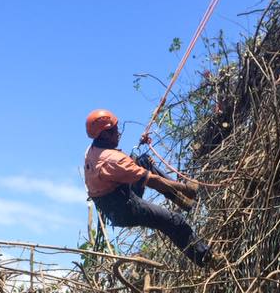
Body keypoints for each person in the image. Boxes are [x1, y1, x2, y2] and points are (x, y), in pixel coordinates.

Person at [83, 109, 213, 267]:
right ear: (104, 135)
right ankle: (208, 259)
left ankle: (181, 199)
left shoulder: (93, 151)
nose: (118, 133)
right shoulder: (112, 160)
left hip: (116, 200)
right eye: (115, 130)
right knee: (174, 222)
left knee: (143, 161)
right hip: (126, 208)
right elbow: (152, 181)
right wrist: (186, 187)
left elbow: (122, 168)